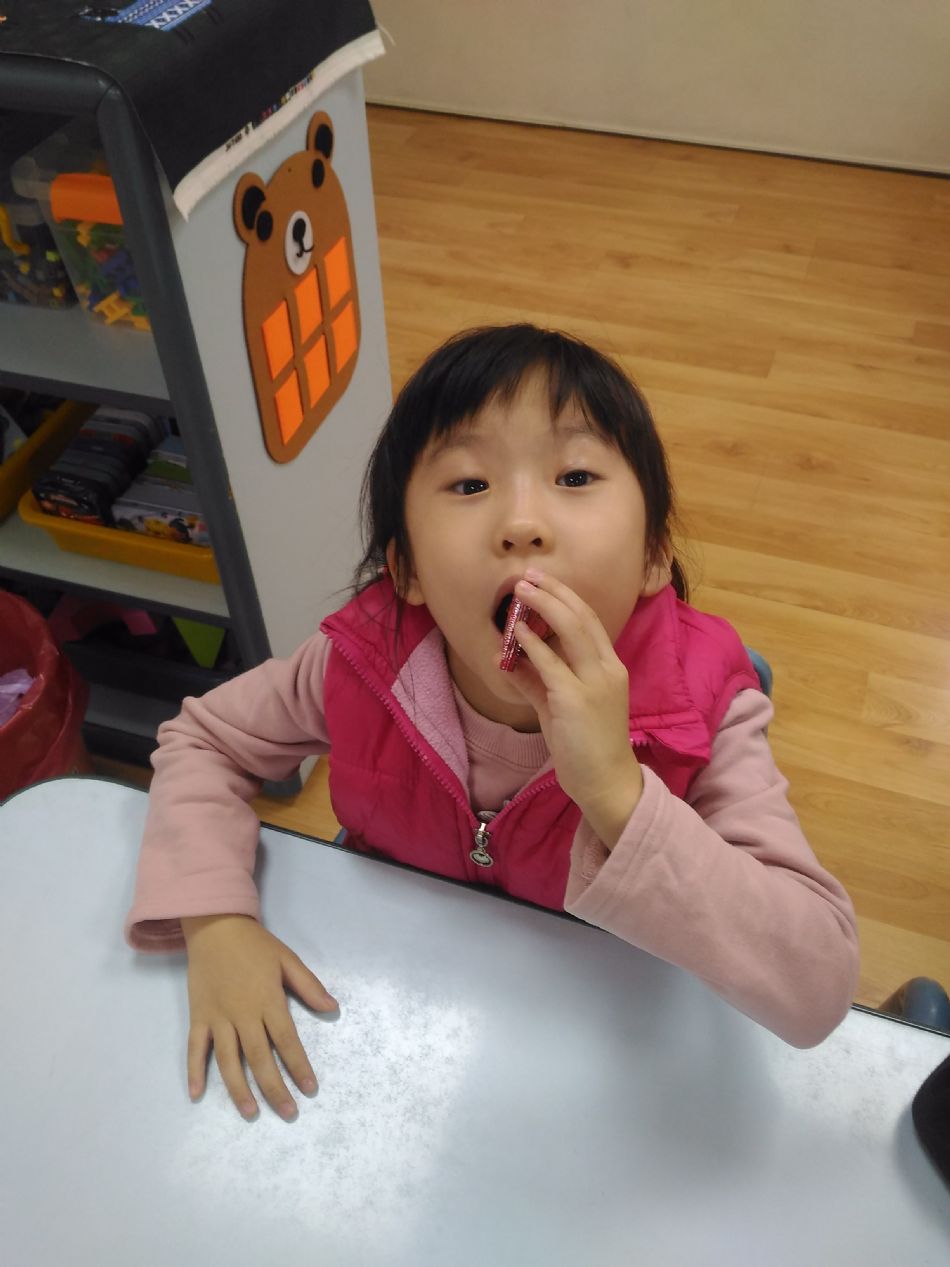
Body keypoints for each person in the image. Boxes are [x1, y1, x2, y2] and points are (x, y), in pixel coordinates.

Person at [125, 324, 860, 1121]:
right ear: (406, 571)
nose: (522, 522)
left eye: (574, 475)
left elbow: (817, 985)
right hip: (407, 1022)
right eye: (470, 484)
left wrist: (618, 793)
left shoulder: (705, 712)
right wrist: (216, 920)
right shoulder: (363, 660)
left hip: (596, 1055)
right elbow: (203, 739)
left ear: (654, 555)